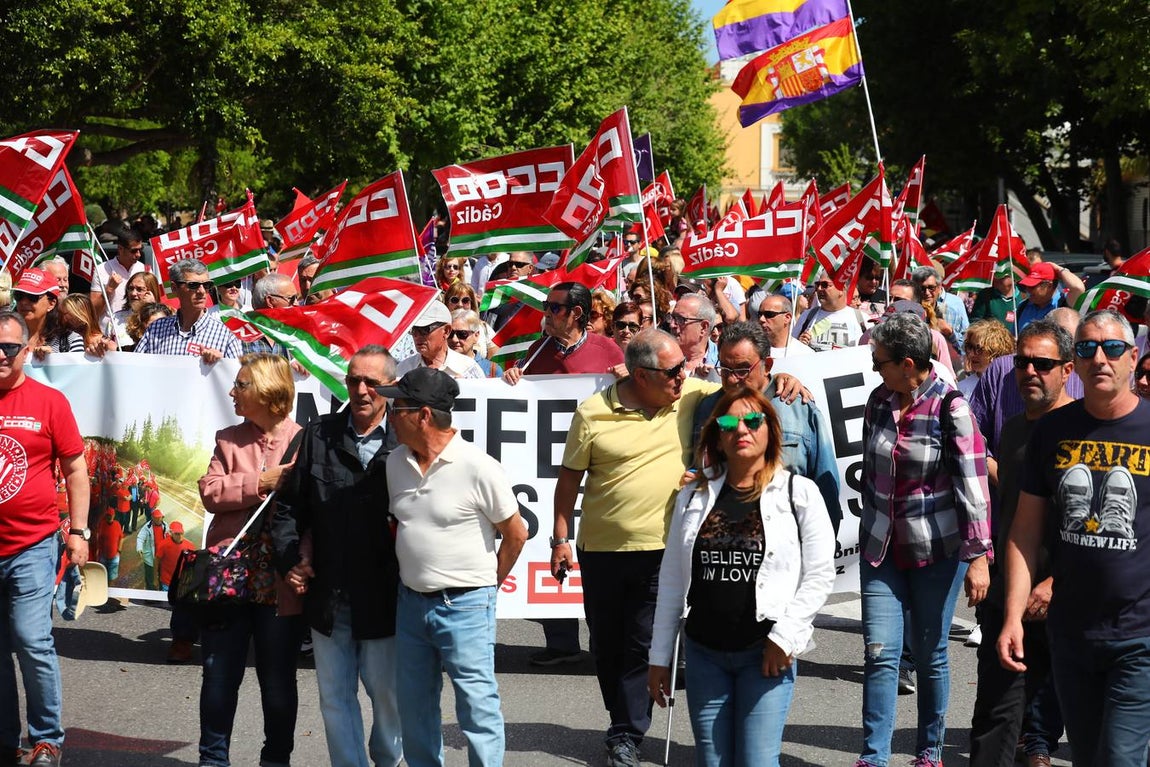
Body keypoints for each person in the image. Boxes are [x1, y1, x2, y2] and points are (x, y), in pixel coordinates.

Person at [551, 329, 718, 767]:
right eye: (672, 371)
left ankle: (627, 732)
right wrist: (560, 538)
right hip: (601, 549)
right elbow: (569, 480)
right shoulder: (592, 414)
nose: (683, 376)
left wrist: (787, 382)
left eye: (683, 367)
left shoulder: (689, 395)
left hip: (661, 549)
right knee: (605, 644)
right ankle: (621, 718)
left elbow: (746, 388)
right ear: (641, 376)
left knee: (642, 642)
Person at [649, 387, 836, 766]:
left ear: (771, 431)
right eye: (729, 422)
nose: (741, 430)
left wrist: (783, 639)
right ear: (717, 434)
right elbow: (672, 579)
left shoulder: (799, 493)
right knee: (711, 761)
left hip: (765, 653)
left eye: (753, 421)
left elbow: (819, 575)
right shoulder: (693, 495)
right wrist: (659, 656)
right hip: (704, 653)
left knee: (757, 761)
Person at [997, 310, 1150, 766]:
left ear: (1132, 357)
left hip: (1139, 635)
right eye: (1087, 348)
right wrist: (1011, 617)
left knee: (1122, 758)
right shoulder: (1051, 431)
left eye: (1112, 348)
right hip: (1072, 634)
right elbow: (1024, 533)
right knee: (1087, 757)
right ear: (1076, 364)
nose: (1100, 357)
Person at [856, 312, 993, 767]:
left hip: (938, 551)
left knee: (931, 651)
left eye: (881, 363)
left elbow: (973, 490)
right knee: (879, 653)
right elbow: (869, 474)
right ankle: (873, 757)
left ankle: (929, 749)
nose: (876, 370)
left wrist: (978, 558)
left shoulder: (952, 408)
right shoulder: (878, 401)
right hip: (881, 549)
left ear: (909, 364)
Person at [381, 367, 528, 767]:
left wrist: (486, 587)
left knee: (476, 709)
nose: (389, 414)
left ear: (424, 415)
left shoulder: (478, 467)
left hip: (465, 606)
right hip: (410, 604)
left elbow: (516, 533)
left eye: (397, 408)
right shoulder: (395, 462)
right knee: (414, 708)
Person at [272, 345, 404, 767]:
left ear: (391, 387)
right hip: (329, 593)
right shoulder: (318, 435)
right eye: (353, 380)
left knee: (387, 696)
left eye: (372, 382)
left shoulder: (408, 441)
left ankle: (388, 760)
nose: (361, 390)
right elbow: (289, 509)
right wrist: (291, 559)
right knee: (334, 697)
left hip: (387, 596)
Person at [969, 320, 1074, 767]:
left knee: (1075, 723)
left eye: (1043, 363)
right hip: (1007, 595)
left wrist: (1054, 581)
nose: (1031, 371)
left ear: (1067, 370)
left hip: (1066, 598)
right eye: (1023, 361)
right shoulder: (1011, 431)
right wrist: (983, 562)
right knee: (995, 715)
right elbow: (1008, 513)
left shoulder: (1083, 432)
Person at [196, 353, 304, 767]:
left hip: (279, 578)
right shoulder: (228, 438)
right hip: (228, 576)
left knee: (277, 680)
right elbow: (210, 492)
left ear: (267, 392)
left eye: (241, 385)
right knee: (219, 673)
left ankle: (276, 759)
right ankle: (213, 759)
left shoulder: (303, 441)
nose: (232, 391)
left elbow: (310, 513)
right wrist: (261, 481)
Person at [0, 310, 89, 767]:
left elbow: (76, 469)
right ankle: (6, 740)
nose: (0, 354)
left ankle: (47, 739)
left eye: (9, 348)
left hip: (32, 544)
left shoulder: (49, 402)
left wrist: (78, 532)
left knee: (30, 638)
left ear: (26, 351)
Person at [693, 322, 843, 534]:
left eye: (743, 369)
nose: (733, 379)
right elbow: (697, 467)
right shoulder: (707, 408)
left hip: (787, 539)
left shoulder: (799, 408)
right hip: (723, 542)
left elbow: (826, 487)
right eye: (725, 369)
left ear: (768, 365)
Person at [503, 282, 623, 383]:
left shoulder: (609, 350)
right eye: (546, 306)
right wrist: (511, 376)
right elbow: (521, 390)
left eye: (555, 308)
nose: (546, 313)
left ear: (576, 313)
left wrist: (628, 377)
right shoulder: (536, 350)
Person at [135, 258, 242, 363]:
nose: (202, 291)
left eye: (206, 285)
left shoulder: (226, 335)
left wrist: (222, 364)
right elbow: (135, 369)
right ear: (174, 288)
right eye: (193, 285)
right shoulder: (156, 329)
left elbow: (240, 377)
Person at [396, 301, 483, 380]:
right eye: (413, 329)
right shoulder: (403, 370)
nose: (416, 336)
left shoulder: (468, 369)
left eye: (424, 329)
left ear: (446, 331)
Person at [14, 269, 81, 358]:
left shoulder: (71, 340)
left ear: (51, 304)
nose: (24, 302)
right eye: (19, 295)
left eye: (32, 297)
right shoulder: (5, 337)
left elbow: (78, 371)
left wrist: (52, 360)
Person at [794, 276, 866, 352]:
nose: (819, 288)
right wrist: (800, 344)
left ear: (841, 288)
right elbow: (791, 349)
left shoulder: (861, 318)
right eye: (817, 285)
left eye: (825, 285)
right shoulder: (807, 315)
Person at [910, 265, 970, 357]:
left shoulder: (951, 311)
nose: (926, 293)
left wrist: (951, 333)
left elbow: (966, 347)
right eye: (922, 288)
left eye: (931, 288)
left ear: (939, 288)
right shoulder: (908, 313)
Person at [90, 229, 148, 317]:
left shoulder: (144, 270)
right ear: (120, 249)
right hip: (110, 329)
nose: (138, 254)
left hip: (137, 328)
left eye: (140, 249)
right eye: (133, 251)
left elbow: (155, 303)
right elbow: (93, 311)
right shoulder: (101, 270)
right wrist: (109, 289)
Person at [1014, 262, 1085, 332]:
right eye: (1026, 286)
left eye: (1032, 286)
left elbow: (1078, 288)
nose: (1027, 289)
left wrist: (1059, 269)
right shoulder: (1023, 306)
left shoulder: (1065, 303)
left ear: (1049, 286)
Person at [667, 293, 720, 381]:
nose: (672, 325)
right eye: (672, 317)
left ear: (703, 327)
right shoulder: (660, 359)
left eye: (680, 319)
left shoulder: (723, 365)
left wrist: (716, 377)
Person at [959, 320, 1015, 397]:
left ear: (996, 352)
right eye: (969, 347)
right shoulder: (961, 389)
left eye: (978, 349)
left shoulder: (1013, 386)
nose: (971, 354)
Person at [112, 271, 162, 349]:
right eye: (131, 288)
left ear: (151, 292)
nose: (133, 293)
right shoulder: (116, 317)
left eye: (139, 289)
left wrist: (152, 308)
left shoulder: (164, 318)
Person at [754, 293, 812, 358]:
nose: (761, 319)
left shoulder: (805, 354)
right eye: (759, 314)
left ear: (787, 318)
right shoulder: (752, 351)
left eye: (769, 314)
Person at [449, 310, 502, 378]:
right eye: (450, 334)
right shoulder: (438, 366)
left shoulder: (492, 370)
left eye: (462, 334)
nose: (454, 339)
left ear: (476, 335)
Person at [155, 521, 194, 591]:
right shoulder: (163, 545)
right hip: (166, 582)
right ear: (171, 533)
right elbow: (157, 560)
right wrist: (155, 576)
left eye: (181, 533)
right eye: (177, 534)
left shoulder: (190, 546)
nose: (180, 536)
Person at [136, 508, 168, 591]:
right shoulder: (147, 527)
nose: (159, 519)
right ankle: (149, 592)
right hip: (150, 557)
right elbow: (140, 538)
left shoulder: (165, 525)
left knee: (162, 575)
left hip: (162, 557)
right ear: (152, 518)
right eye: (157, 518)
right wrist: (139, 548)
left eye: (160, 517)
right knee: (149, 576)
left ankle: (161, 592)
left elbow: (169, 536)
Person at [96, 509, 124, 581]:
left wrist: (119, 551)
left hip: (114, 556)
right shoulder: (102, 524)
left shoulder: (117, 524)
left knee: (112, 578)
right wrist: (98, 550)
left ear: (114, 516)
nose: (109, 517)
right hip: (103, 556)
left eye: (110, 515)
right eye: (108, 515)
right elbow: (98, 538)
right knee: (102, 576)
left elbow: (121, 538)